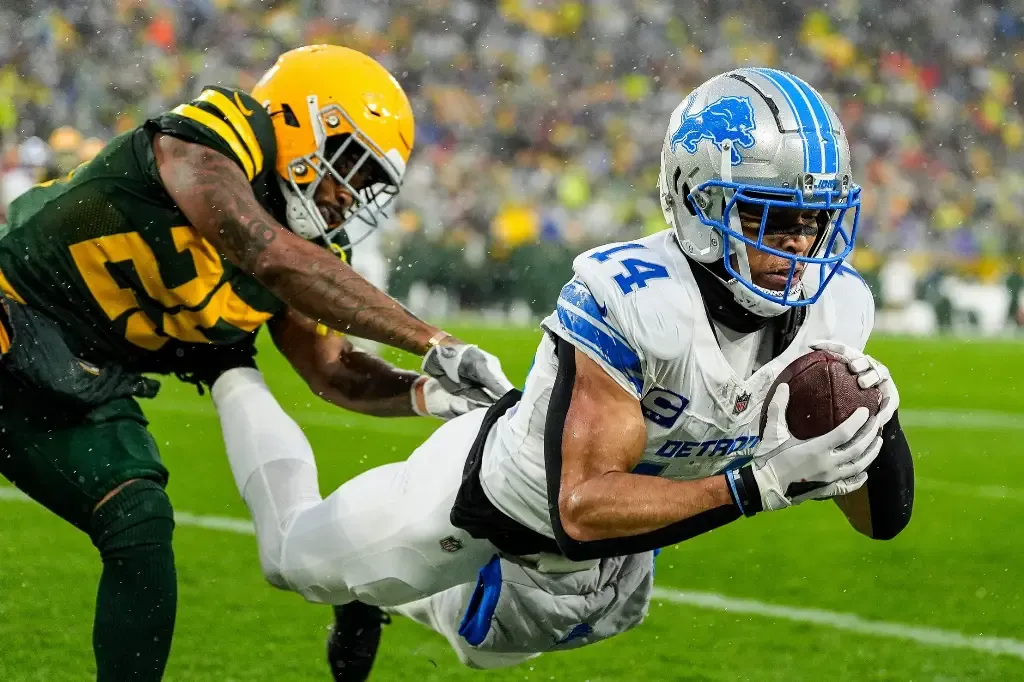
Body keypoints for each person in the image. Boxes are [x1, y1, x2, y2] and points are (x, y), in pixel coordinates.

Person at [210, 68, 914, 680]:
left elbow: (883, 522)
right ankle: (227, 368)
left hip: (610, 546)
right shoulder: (636, 297)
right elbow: (579, 508)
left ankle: (385, 596)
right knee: (291, 559)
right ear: (697, 202)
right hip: (489, 498)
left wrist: (873, 429)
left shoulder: (837, 311)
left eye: (813, 220)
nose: (798, 246)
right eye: (768, 217)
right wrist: (759, 485)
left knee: (484, 647)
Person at [0, 44, 512, 682]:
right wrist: (434, 342)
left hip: (84, 377)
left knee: (140, 523)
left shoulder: (311, 246)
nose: (349, 195)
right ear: (302, 121)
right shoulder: (222, 131)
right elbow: (264, 251)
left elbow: (331, 370)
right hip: (12, 309)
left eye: (368, 183)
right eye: (352, 164)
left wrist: (430, 392)